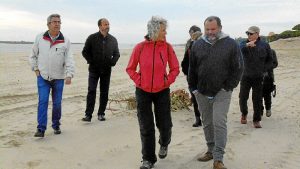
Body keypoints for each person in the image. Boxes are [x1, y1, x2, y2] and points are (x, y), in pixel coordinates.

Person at [188, 16, 243, 169]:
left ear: (220, 27)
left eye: (213, 29)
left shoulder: (231, 44)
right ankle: (210, 150)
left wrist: (228, 86)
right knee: (207, 123)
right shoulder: (197, 44)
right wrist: (194, 89)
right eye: (207, 29)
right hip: (202, 91)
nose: (210, 32)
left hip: (222, 92)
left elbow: (238, 68)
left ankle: (218, 158)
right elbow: (191, 69)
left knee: (219, 122)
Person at [126, 16, 179, 169]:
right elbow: (130, 68)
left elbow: (175, 68)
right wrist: (140, 81)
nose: (165, 33)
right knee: (146, 126)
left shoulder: (167, 47)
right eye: (163, 30)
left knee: (165, 124)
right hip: (143, 91)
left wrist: (166, 81)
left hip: (162, 90)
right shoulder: (140, 47)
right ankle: (148, 159)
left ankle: (164, 143)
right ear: (155, 30)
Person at [29, 14, 75, 137]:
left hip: (59, 78)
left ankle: (56, 125)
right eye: (54, 22)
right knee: (43, 101)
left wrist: (69, 74)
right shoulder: (40, 38)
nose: (57, 24)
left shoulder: (65, 40)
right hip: (43, 77)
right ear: (48, 24)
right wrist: (36, 70)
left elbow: (69, 59)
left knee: (57, 103)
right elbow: (33, 55)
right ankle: (41, 129)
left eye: (59, 22)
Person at [81, 18, 120, 122]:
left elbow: (117, 54)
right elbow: (85, 52)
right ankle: (88, 115)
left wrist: (112, 62)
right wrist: (91, 61)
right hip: (94, 70)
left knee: (104, 92)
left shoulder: (113, 39)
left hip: (106, 70)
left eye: (108, 24)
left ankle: (101, 113)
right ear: (100, 26)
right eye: (105, 24)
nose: (107, 26)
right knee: (91, 91)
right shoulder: (92, 38)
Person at [239, 26, 273, 128]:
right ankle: (244, 113)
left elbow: (270, 60)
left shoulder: (265, 45)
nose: (248, 35)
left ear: (257, 34)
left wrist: (263, 70)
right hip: (245, 76)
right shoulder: (242, 43)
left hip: (258, 76)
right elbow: (237, 51)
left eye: (251, 33)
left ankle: (256, 119)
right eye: (247, 33)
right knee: (243, 97)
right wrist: (247, 45)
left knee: (257, 99)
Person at [181, 25, 202, 127]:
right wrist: (187, 73)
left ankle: (205, 117)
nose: (192, 35)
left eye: (193, 33)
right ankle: (198, 118)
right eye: (191, 33)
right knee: (194, 97)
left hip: (203, 76)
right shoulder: (189, 43)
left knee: (204, 97)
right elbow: (186, 60)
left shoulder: (206, 42)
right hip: (191, 75)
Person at [262, 49, 278, 117]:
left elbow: (275, 63)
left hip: (269, 77)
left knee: (267, 94)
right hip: (257, 77)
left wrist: (267, 67)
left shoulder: (272, 51)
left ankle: (268, 109)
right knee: (257, 95)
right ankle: (260, 110)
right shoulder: (255, 51)